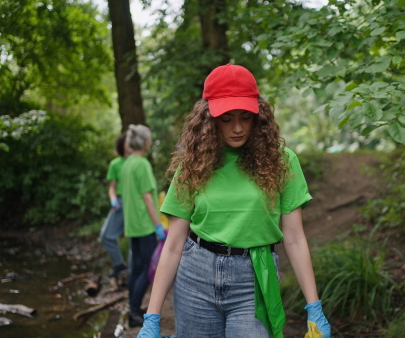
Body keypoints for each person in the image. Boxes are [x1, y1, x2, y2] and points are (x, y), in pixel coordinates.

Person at [138, 64, 331, 337]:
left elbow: (295, 237)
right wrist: (152, 317)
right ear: (208, 119)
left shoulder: (282, 161)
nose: (237, 128)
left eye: (245, 117)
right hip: (196, 276)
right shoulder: (193, 164)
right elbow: (173, 243)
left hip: (253, 280)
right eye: (226, 119)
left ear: (258, 115)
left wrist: (314, 307)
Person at [121, 124, 167, 327]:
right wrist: (158, 225)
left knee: (137, 268)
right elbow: (148, 198)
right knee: (148, 269)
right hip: (145, 225)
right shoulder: (142, 164)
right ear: (145, 142)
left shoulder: (127, 163)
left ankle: (134, 309)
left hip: (132, 225)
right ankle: (134, 312)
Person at [100, 132, 130, 279]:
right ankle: (120, 265)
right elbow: (112, 187)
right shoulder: (115, 164)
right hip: (120, 203)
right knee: (106, 236)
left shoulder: (138, 161)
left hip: (135, 204)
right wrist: (113, 199)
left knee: (134, 238)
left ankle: (131, 270)